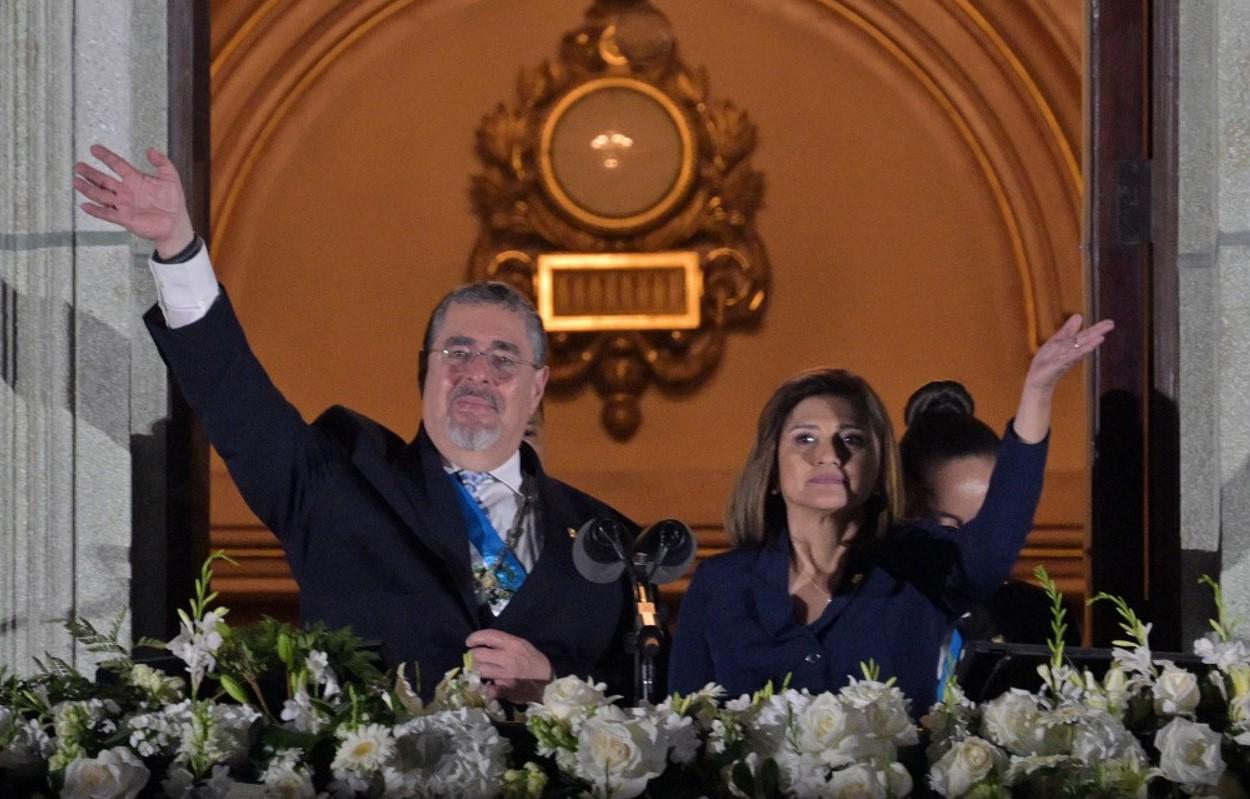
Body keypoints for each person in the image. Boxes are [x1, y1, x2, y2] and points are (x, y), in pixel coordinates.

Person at [73, 145, 634, 703]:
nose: (477, 374)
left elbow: (650, 703)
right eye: (456, 352)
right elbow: (238, 403)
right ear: (425, 370)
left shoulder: (609, 540)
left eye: (504, 359)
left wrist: (554, 686)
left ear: (537, 385)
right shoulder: (341, 482)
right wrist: (177, 246)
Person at [667, 316, 1113, 712]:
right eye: (805, 439)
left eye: (852, 440)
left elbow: (995, 543)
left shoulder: (917, 567)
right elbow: (688, 730)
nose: (829, 455)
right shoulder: (721, 584)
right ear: (771, 470)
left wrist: (1037, 391)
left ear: (877, 468)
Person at [900, 380, 1078, 649]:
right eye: (951, 526)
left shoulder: (1037, 614)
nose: (978, 544)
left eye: (991, 523)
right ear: (905, 509)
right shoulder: (867, 609)